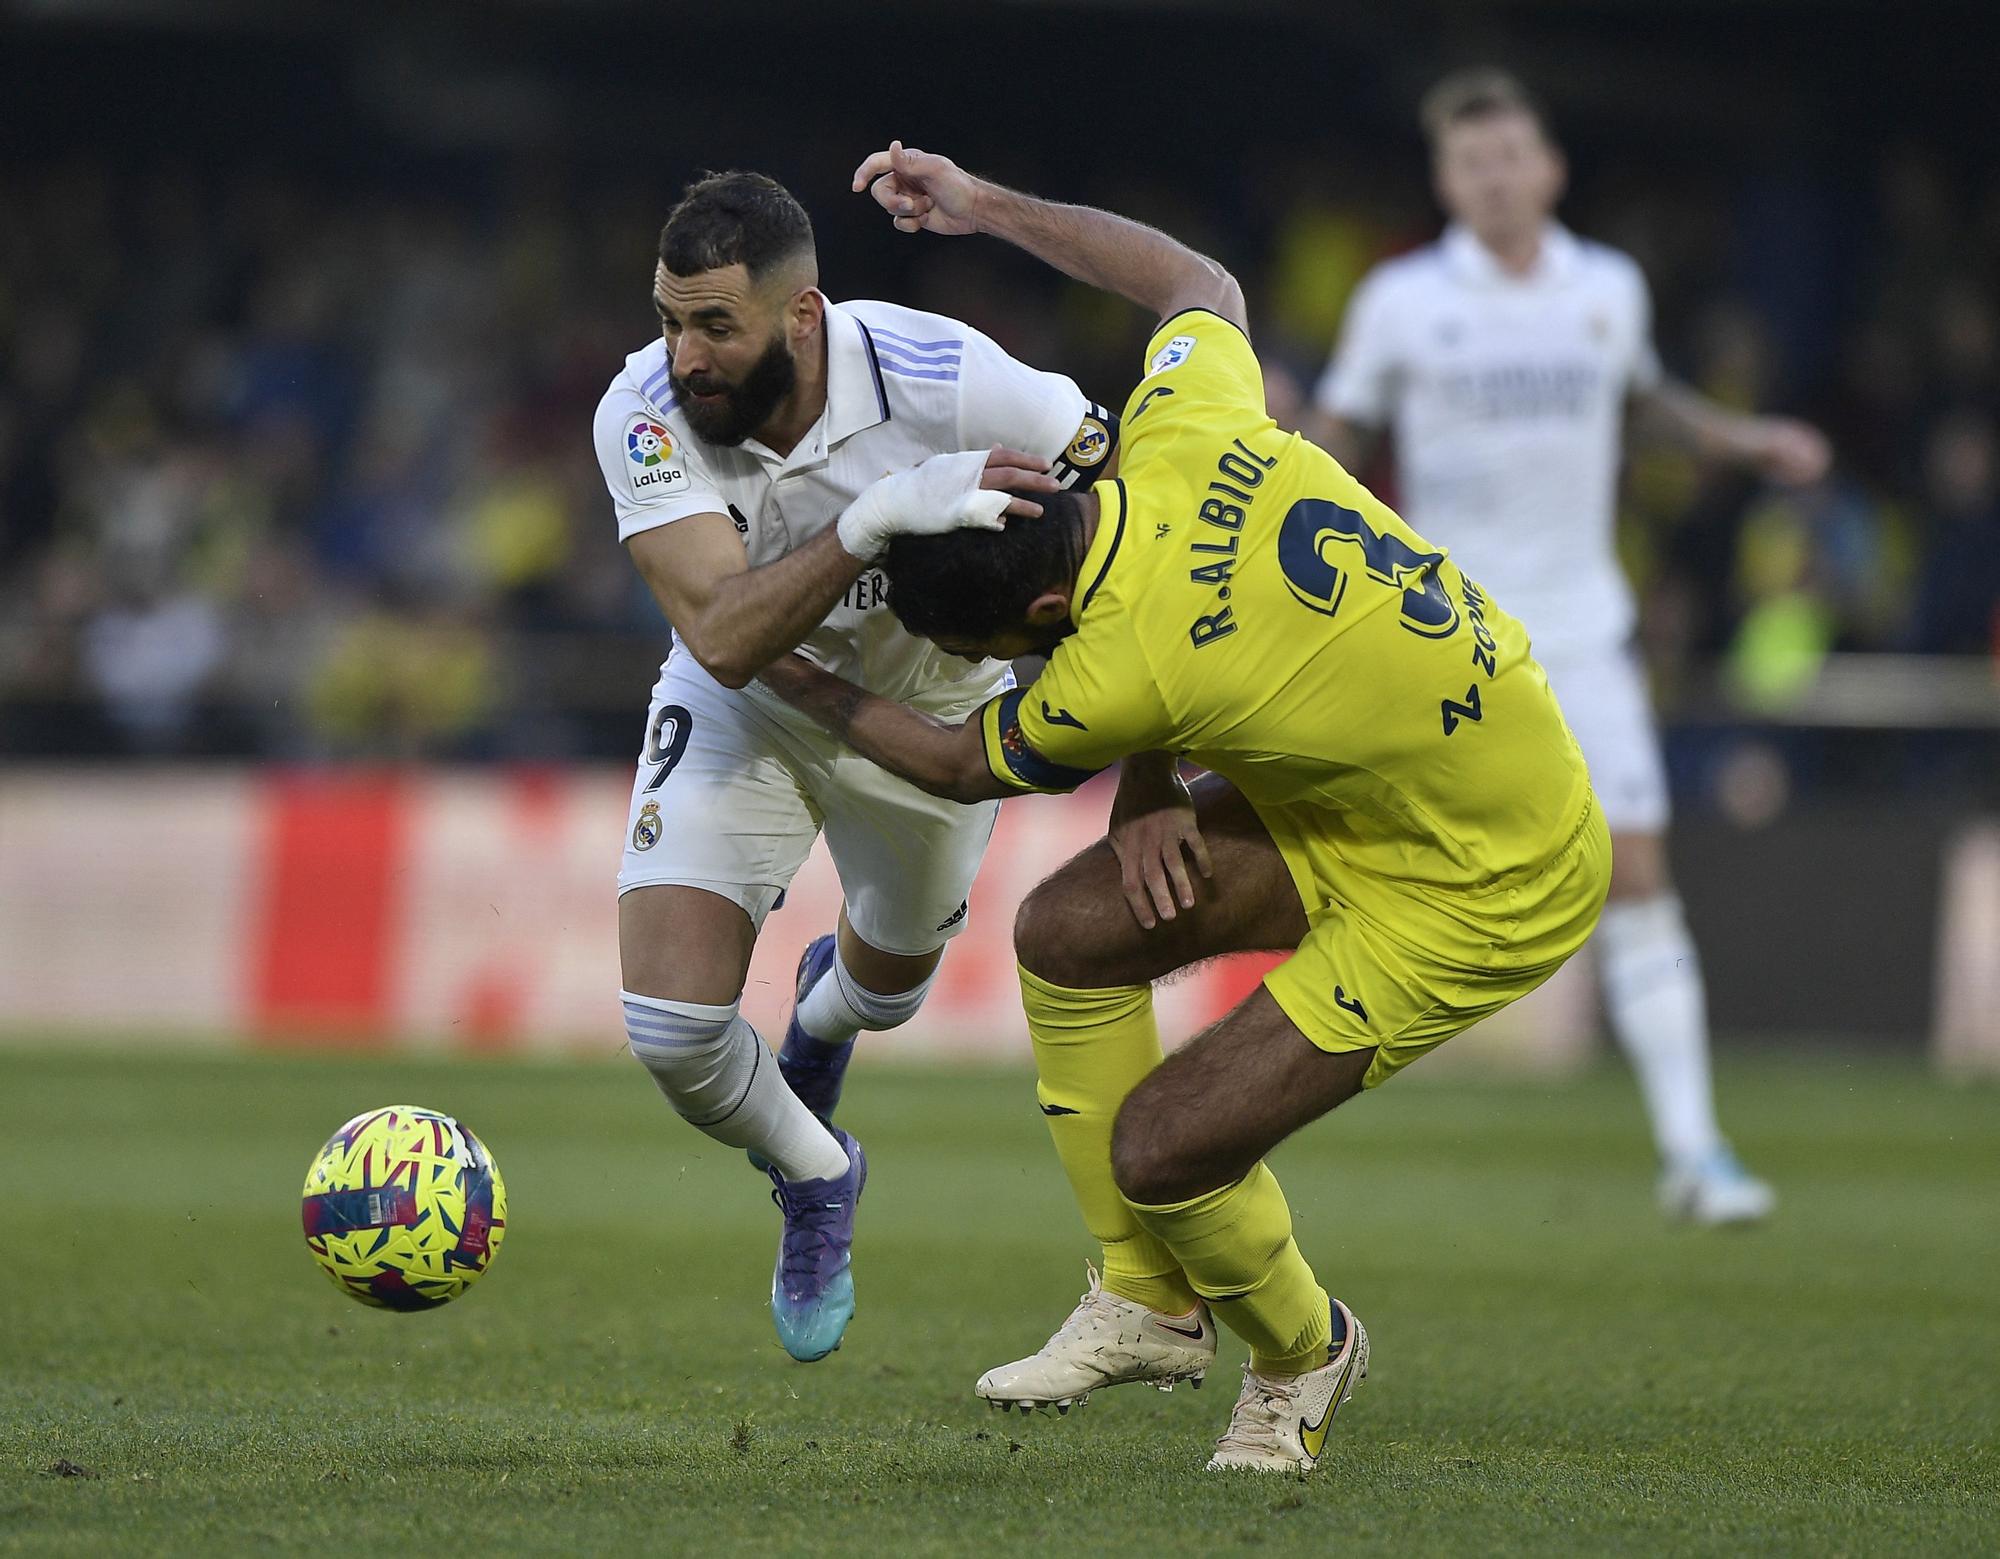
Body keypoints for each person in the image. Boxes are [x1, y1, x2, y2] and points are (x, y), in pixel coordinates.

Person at [755, 142, 1611, 1472]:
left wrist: (787, 669)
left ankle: (1299, 1351)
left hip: (1484, 873)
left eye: (999, 649)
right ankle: (1147, 1302)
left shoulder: (1108, 676)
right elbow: (1194, 277)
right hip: (1420, 776)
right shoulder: (1181, 420)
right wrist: (982, 208)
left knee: (1165, 1147)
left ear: (1040, 618)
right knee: (1068, 933)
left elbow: (949, 760)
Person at [592, 171, 1119, 1363]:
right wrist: (874, 517)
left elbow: (1137, 496)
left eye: (714, 325)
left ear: (802, 315)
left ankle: (826, 1019)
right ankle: (819, 1171)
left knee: (889, 989)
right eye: (670, 319)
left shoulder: (945, 373)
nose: (683, 356)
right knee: (671, 1031)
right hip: (751, 700)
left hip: (927, 709)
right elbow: (724, 636)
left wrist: (1151, 766)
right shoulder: (639, 408)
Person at [1305, 69, 1831, 1224]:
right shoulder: (1398, 299)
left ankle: (1693, 1151)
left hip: (1582, 631)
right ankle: (1262, 1107)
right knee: (1334, 864)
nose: (1493, 179)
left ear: (1547, 168)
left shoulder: (1607, 288)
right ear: (1445, 179)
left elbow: (1638, 401)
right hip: (1442, 637)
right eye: (1469, 163)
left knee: (1634, 873)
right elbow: (1333, 436)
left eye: (1510, 157)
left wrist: (1746, 441)